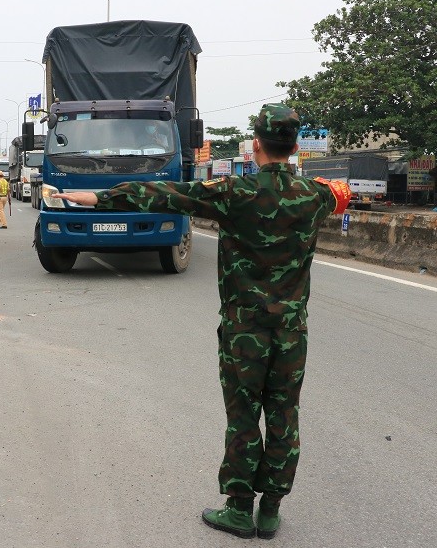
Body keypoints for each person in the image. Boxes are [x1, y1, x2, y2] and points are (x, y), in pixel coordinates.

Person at [53, 104, 352, 540]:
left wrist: (100, 197)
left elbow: (166, 194)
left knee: (244, 416)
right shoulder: (314, 197)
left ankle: (238, 510)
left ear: (256, 145)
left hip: (243, 331)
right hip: (292, 331)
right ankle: (270, 512)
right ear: (293, 147)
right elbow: (339, 191)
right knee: (285, 416)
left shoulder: (234, 192)